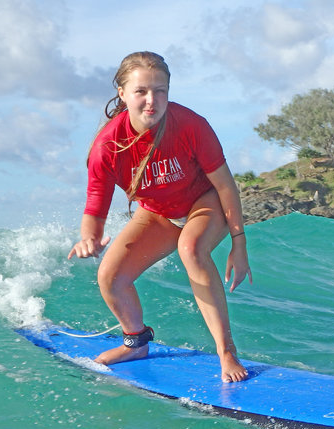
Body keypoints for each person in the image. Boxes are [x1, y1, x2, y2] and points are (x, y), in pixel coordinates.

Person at [68, 51, 251, 383]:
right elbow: (95, 208)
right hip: (158, 213)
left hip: (203, 202)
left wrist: (239, 242)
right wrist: (89, 240)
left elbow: (225, 186)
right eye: (141, 91)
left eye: (161, 90)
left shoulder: (191, 125)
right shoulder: (107, 147)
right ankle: (136, 342)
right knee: (111, 276)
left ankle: (227, 352)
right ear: (122, 93)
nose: (152, 100)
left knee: (191, 248)